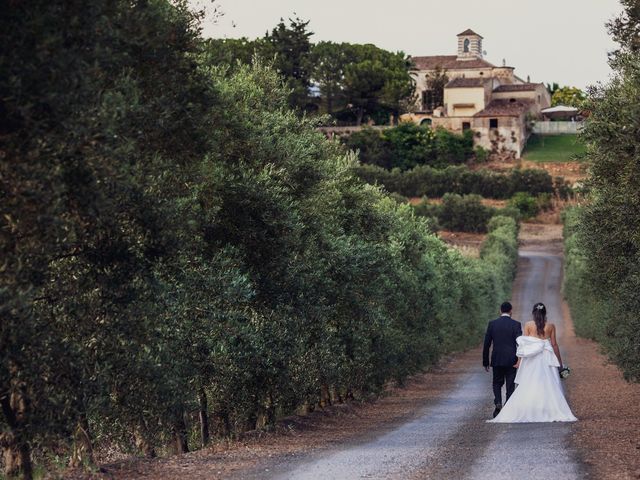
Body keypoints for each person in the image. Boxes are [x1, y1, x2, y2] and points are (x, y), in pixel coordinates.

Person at [488, 302, 577, 423]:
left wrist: (519, 361)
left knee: (530, 383)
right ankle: (549, 409)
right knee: (548, 384)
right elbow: (555, 345)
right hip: (546, 358)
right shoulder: (551, 326)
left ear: (533, 313)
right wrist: (559, 363)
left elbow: (523, 345)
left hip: (532, 359)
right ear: (545, 313)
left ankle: (529, 408)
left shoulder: (529, 325)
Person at [482, 302, 522, 418]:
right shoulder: (516, 324)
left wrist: (485, 361)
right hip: (511, 359)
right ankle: (508, 408)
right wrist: (520, 359)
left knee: (497, 382)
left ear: (500, 311)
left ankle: (498, 402)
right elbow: (520, 343)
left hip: (497, 358)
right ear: (511, 311)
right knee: (510, 385)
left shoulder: (492, 324)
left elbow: (487, 344)